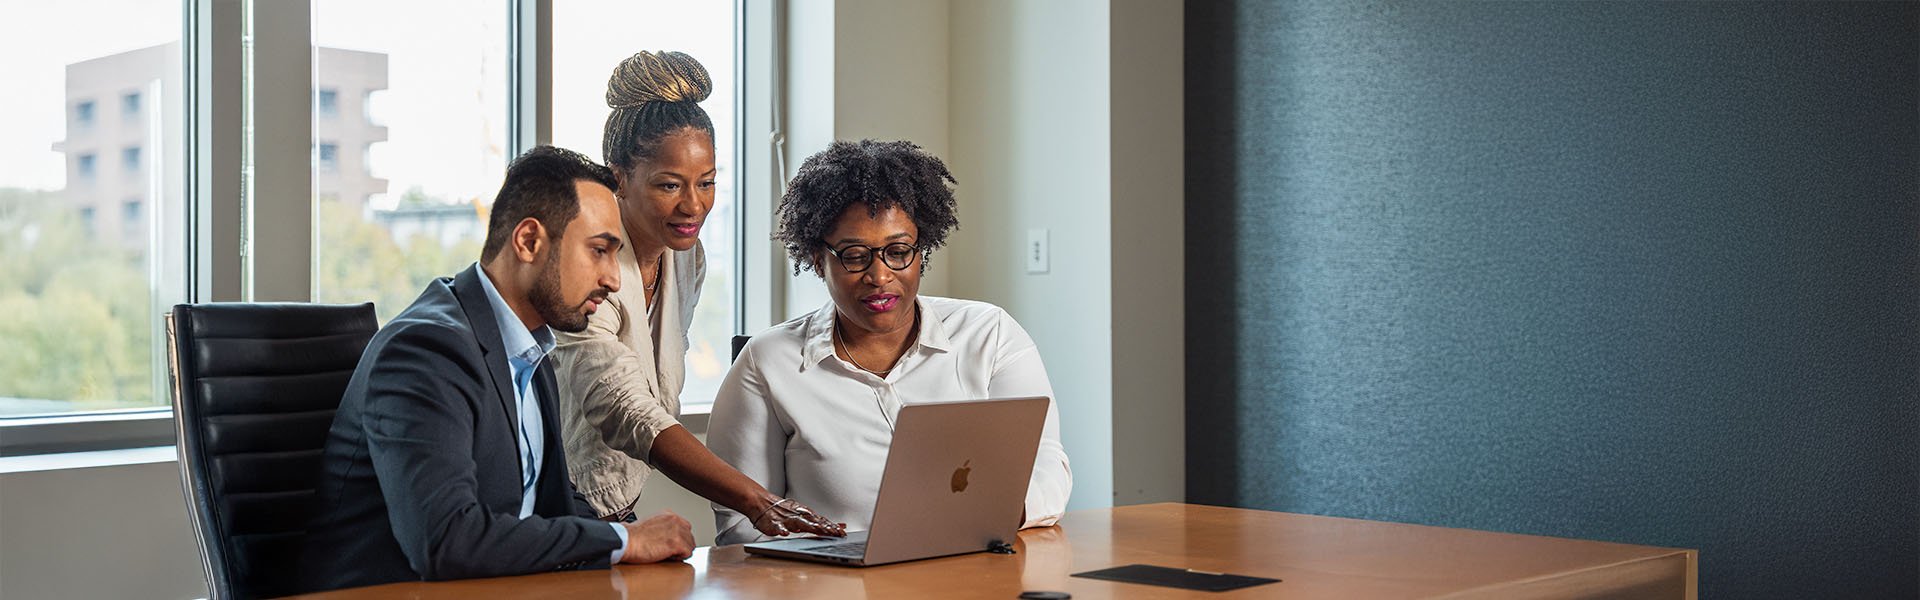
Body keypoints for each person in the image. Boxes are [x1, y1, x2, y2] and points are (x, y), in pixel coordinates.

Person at [298, 146, 695, 594]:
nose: (613, 278)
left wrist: (633, 539)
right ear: (528, 241)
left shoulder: (530, 347)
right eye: (598, 250)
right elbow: (446, 539)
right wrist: (623, 540)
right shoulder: (426, 350)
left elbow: (555, 503)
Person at [707, 139, 1072, 545]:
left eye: (898, 251)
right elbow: (742, 528)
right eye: (854, 254)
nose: (880, 276)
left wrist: (976, 518)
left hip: (975, 567)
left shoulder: (989, 334)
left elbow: (1047, 469)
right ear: (816, 257)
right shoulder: (768, 361)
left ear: (921, 250)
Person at [549, 50, 843, 540]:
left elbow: (657, 379)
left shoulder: (686, 256)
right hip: (548, 507)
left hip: (615, 508)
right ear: (618, 176)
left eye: (706, 182)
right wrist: (755, 500)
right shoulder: (581, 264)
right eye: (669, 185)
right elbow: (623, 405)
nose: (694, 205)